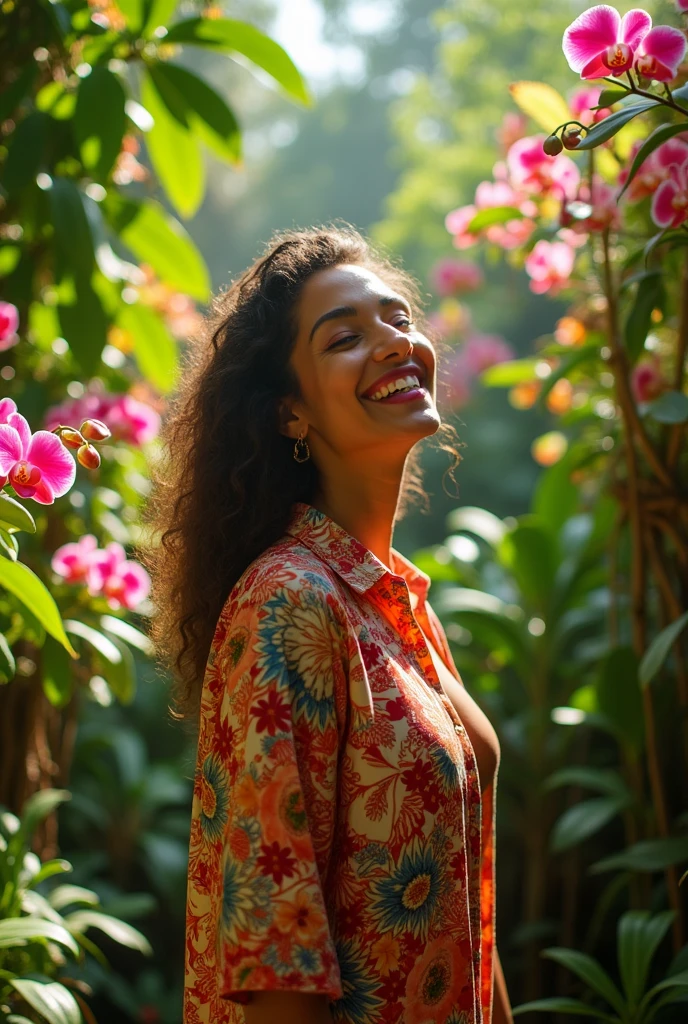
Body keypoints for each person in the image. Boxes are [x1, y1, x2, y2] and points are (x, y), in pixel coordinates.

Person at [145, 226, 511, 1024]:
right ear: (289, 415)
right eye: (345, 337)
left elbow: (466, 921)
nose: (394, 343)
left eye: (399, 318)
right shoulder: (291, 605)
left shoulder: (394, 605)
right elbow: (276, 961)